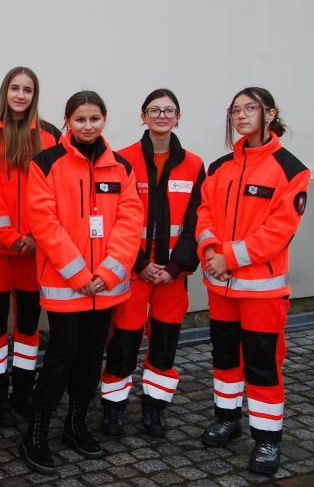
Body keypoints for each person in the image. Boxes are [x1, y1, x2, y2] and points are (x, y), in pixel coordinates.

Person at [19, 91, 142, 475]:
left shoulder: (120, 167)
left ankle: (76, 425)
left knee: (91, 357)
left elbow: (130, 222)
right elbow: (44, 222)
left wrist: (106, 274)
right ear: (68, 121)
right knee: (61, 356)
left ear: (104, 119)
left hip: (104, 288)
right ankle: (35, 433)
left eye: (94, 119)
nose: (87, 126)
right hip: (65, 286)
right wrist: (79, 274)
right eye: (80, 119)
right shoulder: (46, 163)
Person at [196, 87, 309, 476]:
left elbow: (278, 232)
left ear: (270, 114)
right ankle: (227, 419)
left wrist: (226, 258)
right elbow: (204, 214)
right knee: (225, 358)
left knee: (263, 367)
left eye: (250, 108)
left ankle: (266, 439)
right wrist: (210, 251)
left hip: (262, 292)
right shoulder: (219, 167)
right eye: (235, 110)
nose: (241, 116)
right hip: (221, 288)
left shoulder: (291, 170)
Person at [99, 89, 205, 437]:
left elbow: (196, 221)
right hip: (134, 271)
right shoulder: (122, 159)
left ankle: (155, 407)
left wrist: (176, 267)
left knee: (165, 343)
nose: (162, 116)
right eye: (155, 110)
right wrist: (140, 262)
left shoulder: (194, 164)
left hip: (173, 275)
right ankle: (114, 407)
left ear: (178, 117)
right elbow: (115, 218)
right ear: (143, 116)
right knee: (124, 341)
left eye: (169, 110)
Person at [0, 67, 61, 425]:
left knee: (27, 328)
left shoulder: (51, 136)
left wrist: (37, 237)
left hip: (35, 253)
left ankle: (23, 394)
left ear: (34, 95)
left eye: (28, 89)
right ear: (4, 91)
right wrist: (10, 236)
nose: (21, 95)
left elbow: (55, 193)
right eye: (15, 88)